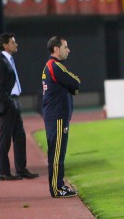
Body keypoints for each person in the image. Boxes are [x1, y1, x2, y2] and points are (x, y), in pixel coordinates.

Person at [0, 33, 39, 181]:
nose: (16, 44)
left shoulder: (8, 60)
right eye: (13, 42)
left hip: (14, 102)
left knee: (19, 136)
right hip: (7, 105)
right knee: (5, 139)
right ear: (5, 45)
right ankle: (2, 172)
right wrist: (9, 103)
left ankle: (21, 169)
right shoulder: (0, 62)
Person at [41, 36, 81, 198]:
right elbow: (75, 82)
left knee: (57, 153)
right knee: (57, 154)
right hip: (57, 116)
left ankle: (59, 186)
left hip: (55, 115)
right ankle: (57, 189)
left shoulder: (50, 66)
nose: (68, 50)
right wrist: (72, 86)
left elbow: (71, 85)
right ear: (56, 49)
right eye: (65, 47)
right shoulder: (55, 66)